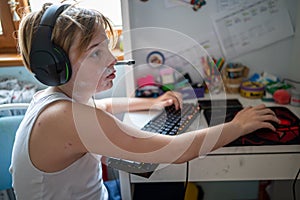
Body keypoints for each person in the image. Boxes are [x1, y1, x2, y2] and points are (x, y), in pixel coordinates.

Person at [10, 2, 279, 200]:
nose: (112, 59)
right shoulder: (67, 119)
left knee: (163, 188)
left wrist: (151, 103)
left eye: (107, 48)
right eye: (95, 53)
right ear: (56, 66)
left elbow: (101, 106)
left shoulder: (53, 100)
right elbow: (176, 151)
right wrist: (239, 125)